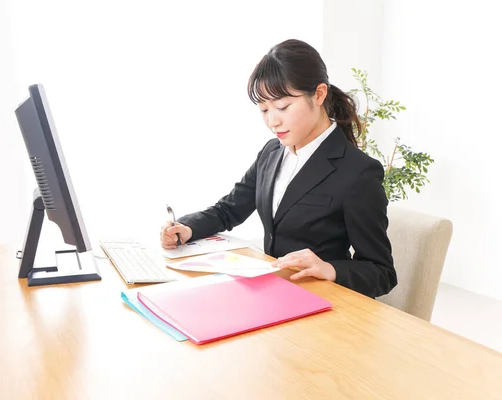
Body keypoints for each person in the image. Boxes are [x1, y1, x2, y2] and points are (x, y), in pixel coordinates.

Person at [160, 39, 397, 298]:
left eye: (283, 107)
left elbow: (382, 272)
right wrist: (187, 228)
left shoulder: (358, 172)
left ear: (319, 94)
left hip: (325, 304)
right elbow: (229, 210)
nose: (273, 121)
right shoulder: (272, 153)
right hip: (274, 295)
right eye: (264, 110)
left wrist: (329, 268)